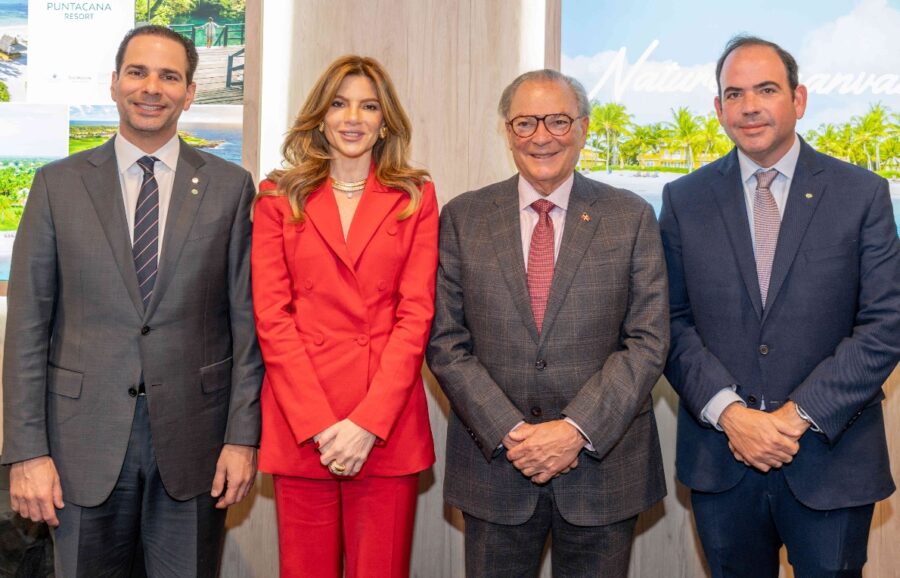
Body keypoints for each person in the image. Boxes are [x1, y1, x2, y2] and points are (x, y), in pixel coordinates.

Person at [1, 25, 262, 577]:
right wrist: (26, 452)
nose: (152, 87)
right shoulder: (56, 184)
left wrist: (242, 439)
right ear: (115, 83)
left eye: (170, 76)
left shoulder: (231, 186)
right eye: (138, 72)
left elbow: (246, 324)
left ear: (190, 93)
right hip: (80, 446)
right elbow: (26, 326)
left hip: (196, 443)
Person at [660, 35, 900, 578]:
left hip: (832, 460)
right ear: (718, 110)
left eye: (766, 89)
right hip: (724, 460)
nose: (750, 106)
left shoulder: (861, 193)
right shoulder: (684, 199)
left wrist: (794, 417)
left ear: (799, 99)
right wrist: (733, 415)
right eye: (734, 93)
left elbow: (885, 325)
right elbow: (669, 322)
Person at [427, 69, 669, 577]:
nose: (542, 136)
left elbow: (647, 341)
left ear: (583, 127)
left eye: (558, 120)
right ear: (507, 131)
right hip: (495, 467)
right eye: (525, 122)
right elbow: (447, 342)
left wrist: (575, 430)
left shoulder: (630, 217)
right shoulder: (463, 217)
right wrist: (511, 430)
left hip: (602, 471)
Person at [252, 55, 437, 578]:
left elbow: (416, 315)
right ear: (320, 116)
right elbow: (272, 317)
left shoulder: (414, 196)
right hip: (302, 424)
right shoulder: (277, 195)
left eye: (368, 105)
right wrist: (320, 425)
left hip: (385, 428)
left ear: (385, 122)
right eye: (339, 103)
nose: (352, 117)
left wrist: (366, 426)